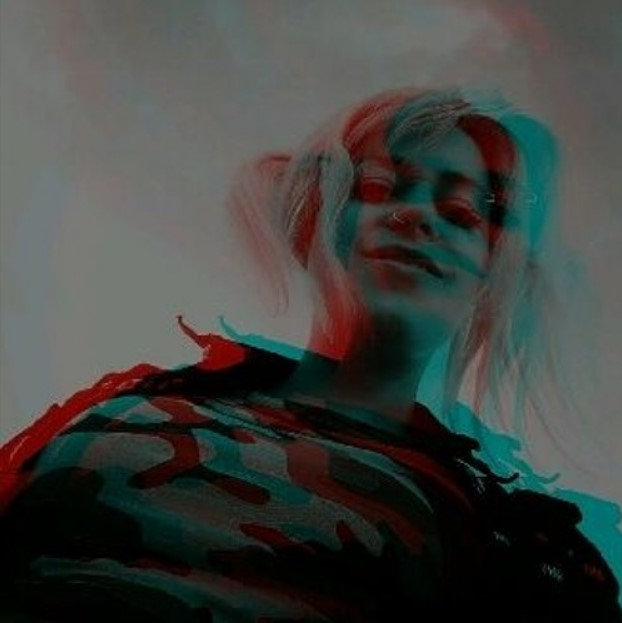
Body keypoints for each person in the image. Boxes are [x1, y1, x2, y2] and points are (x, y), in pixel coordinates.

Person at [0, 88, 619, 622]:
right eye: (380, 186)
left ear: (494, 278)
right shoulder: (131, 406)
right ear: (321, 218)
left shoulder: (511, 546)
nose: (417, 217)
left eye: (463, 213)